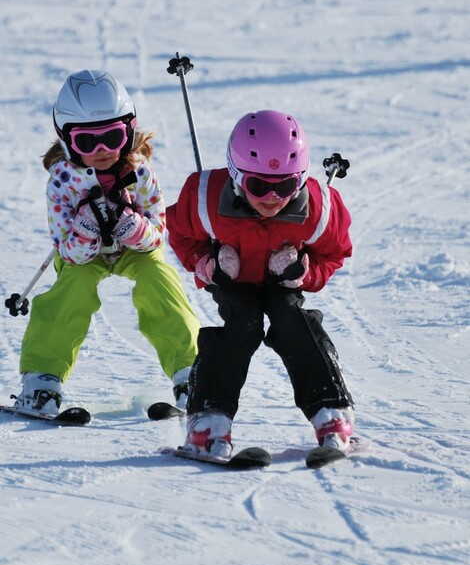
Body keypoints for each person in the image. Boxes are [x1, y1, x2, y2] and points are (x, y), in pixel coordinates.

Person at [166, 109, 355, 459]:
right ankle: (208, 420)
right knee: (244, 321)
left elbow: (335, 252)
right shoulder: (205, 199)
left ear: (301, 178)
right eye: (258, 185)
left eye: (285, 186)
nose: (272, 197)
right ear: (237, 176)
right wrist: (206, 264)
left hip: (281, 280)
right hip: (231, 277)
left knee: (292, 319)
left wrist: (304, 273)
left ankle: (331, 412)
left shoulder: (319, 208)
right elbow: (179, 232)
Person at [14, 69, 200, 414]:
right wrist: (85, 231)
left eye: (112, 138)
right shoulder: (63, 181)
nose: (101, 151)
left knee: (159, 281)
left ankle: (192, 374)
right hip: (83, 255)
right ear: (67, 139)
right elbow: (65, 248)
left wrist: (132, 227)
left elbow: (158, 232)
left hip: (134, 248)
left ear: (128, 132)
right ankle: (42, 381)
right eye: (87, 142)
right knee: (73, 288)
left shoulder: (140, 171)